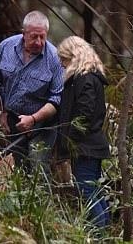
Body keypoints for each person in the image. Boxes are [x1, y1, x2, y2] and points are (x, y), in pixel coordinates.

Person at [0, 10, 63, 173]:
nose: (38, 41)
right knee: (18, 167)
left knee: (37, 164)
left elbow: (56, 98)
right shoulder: (6, 47)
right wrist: (1, 113)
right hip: (13, 120)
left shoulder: (54, 58)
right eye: (34, 36)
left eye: (43, 37)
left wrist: (33, 119)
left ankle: (42, 198)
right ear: (24, 34)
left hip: (43, 125)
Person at [56, 36, 111, 228]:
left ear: (73, 57)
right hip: (90, 145)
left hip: (86, 147)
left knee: (87, 190)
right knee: (94, 190)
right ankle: (105, 233)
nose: (62, 65)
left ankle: (100, 233)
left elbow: (84, 114)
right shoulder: (90, 78)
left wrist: (70, 139)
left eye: (64, 59)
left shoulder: (84, 79)